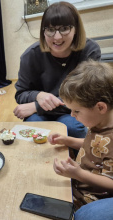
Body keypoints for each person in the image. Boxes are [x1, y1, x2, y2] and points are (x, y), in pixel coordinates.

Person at [14, 1, 101, 138]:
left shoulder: (90, 51)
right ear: (43, 31)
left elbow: (86, 97)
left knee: (74, 129)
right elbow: (20, 94)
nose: (57, 37)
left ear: (76, 29)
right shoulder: (30, 55)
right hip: (39, 115)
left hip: (72, 111)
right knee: (33, 128)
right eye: (50, 30)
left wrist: (37, 106)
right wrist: (38, 95)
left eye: (64, 28)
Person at [48, 60, 113, 210]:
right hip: (78, 180)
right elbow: (95, 146)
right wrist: (68, 140)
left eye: (77, 111)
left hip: (92, 197)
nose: (72, 115)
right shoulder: (99, 122)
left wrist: (79, 174)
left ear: (100, 107)